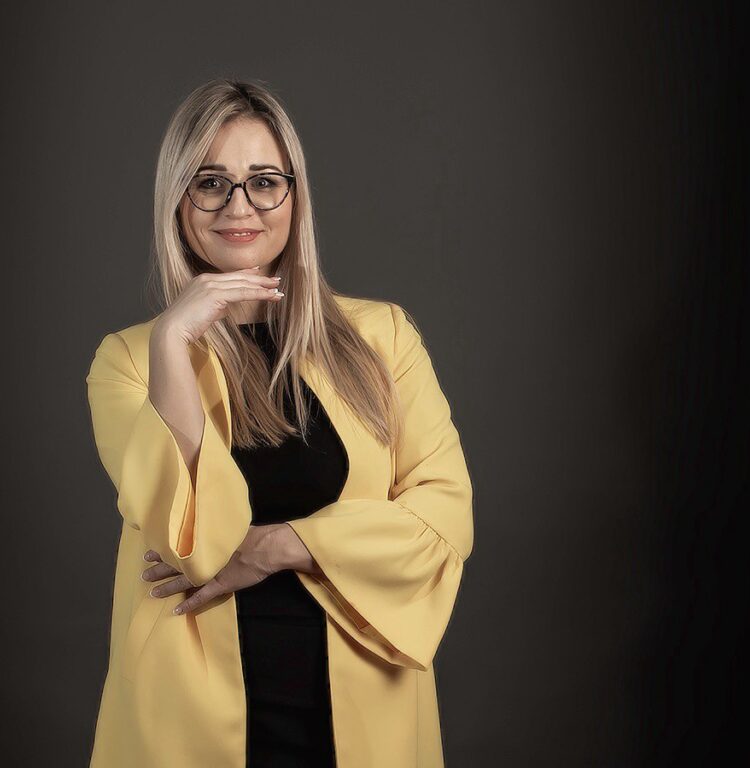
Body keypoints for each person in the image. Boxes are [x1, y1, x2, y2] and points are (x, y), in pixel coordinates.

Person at [85, 78, 475, 768]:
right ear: (177, 200)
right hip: (187, 722)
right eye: (210, 183)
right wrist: (173, 341)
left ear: (296, 197)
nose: (239, 206)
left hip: (365, 710)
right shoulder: (132, 362)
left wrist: (274, 546)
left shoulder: (384, 338)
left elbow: (442, 520)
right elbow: (189, 545)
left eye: (264, 181)